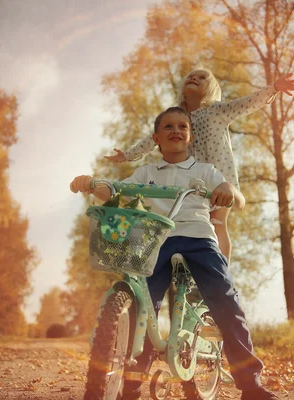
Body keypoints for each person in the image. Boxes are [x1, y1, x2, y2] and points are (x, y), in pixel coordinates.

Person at [71, 107, 280, 400]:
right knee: (144, 305)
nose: (176, 131)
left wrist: (225, 189)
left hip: (198, 238)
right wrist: (92, 184)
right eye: (168, 126)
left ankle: (250, 385)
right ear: (156, 137)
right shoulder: (146, 173)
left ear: (190, 135)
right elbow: (117, 191)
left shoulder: (204, 171)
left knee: (225, 299)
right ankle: (130, 383)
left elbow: (231, 193)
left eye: (182, 126)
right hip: (156, 240)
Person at [105, 69, 294, 262]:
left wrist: (274, 87)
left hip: (220, 182)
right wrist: (128, 156)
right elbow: (152, 140)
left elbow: (247, 103)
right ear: (182, 88)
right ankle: (187, 274)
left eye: (202, 77)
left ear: (210, 88)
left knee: (217, 224)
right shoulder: (178, 119)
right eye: (191, 76)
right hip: (193, 183)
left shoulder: (217, 111)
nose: (194, 78)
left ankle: (222, 273)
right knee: (194, 227)